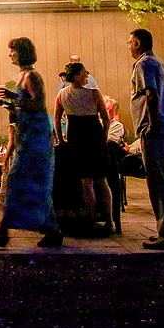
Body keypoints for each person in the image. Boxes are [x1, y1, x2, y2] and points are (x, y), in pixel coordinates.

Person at [0, 37, 63, 248]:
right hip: (27, 136)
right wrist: (5, 102)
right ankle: (50, 228)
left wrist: (12, 98)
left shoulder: (32, 76)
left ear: (22, 52)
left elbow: (37, 104)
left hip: (35, 139)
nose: (9, 54)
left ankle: (3, 230)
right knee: (28, 183)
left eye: (13, 50)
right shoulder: (21, 76)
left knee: (19, 181)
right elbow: (23, 105)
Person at [128, 27, 164, 250]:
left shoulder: (143, 64)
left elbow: (150, 95)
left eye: (130, 43)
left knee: (159, 183)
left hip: (157, 130)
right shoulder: (162, 64)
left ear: (138, 44)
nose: (129, 47)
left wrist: (151, 124)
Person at [55, 61, 114, 234]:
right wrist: (104, 136)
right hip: (94, 135)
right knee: (101, 180)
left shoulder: (62, 94)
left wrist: (61, 140)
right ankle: (109, 221)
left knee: (85, 182)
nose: (87, 74)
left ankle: (90, 221)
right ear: (76, 76)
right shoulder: (94, 93)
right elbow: (106, 118)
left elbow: (57, 119)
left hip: (76, 136)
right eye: (84, 72)